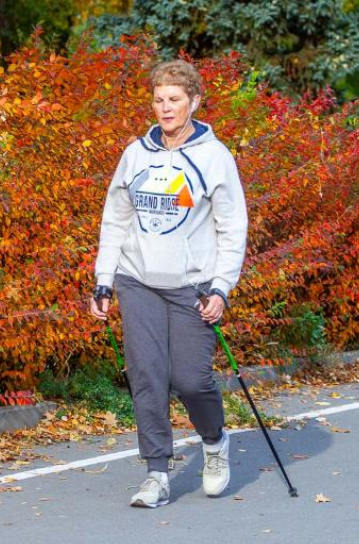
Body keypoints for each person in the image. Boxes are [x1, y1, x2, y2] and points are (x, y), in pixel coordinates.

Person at [89, 59, 249, 508]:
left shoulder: (215, 157)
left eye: (174, 99)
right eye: (159, 99)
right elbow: (115, 220)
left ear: (194, 102)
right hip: (137, 281)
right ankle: (157, 472)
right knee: (147, 377)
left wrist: (221, 287)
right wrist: (104, 281)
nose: (165, 108)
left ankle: (215, 444)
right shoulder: (135, 153)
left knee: (191, 380)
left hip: (191, 286)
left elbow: (232, 227)